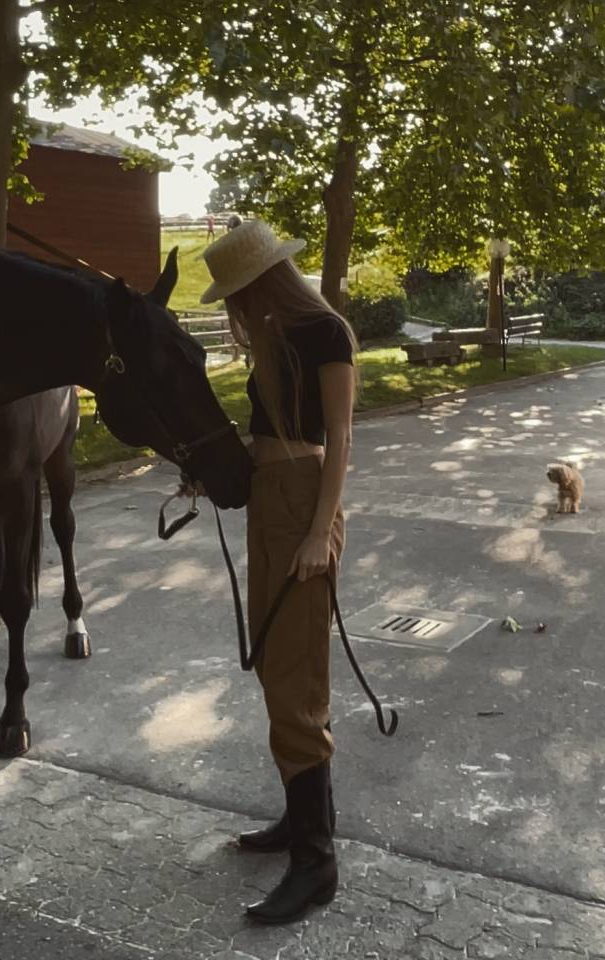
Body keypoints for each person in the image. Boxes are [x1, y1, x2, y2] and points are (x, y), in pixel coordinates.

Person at [199, 219, 357, 923]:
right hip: (268, 498)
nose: (234, 309)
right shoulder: (269, 335)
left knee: (297, 679)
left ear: (263, 282)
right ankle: (300, 821)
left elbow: (341, 437)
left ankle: (317, 865)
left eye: (237, 293)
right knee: (274, 665)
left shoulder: (326, 332)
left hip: (303, 504)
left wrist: (321, 530)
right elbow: (261, 434)